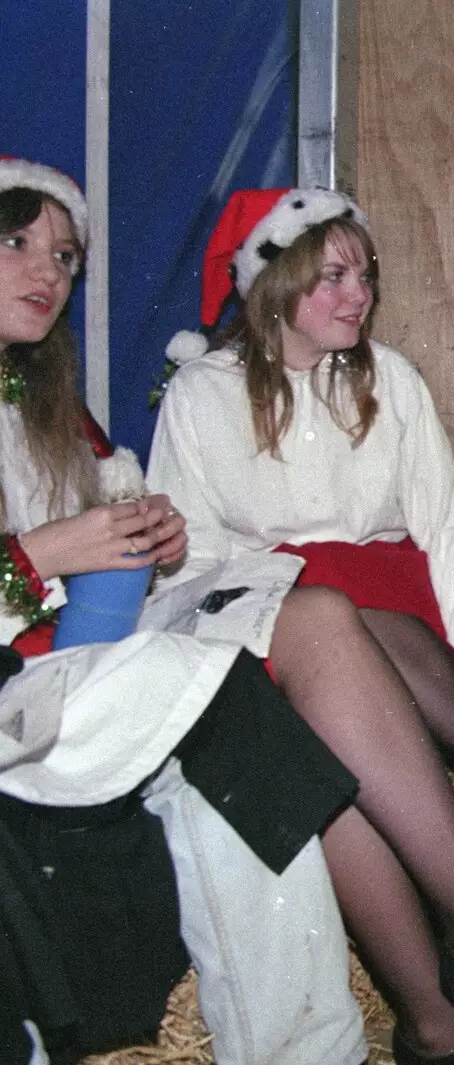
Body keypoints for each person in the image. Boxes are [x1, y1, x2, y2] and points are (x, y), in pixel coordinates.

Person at [147, 187, 454, 1063]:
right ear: (275, 287)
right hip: (268, 626)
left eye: (365, 274)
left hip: (399, 635)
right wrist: (286, 583)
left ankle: (439, 1020)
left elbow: (446, 522)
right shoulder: (203, 394)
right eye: (333, 277)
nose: (359, 295)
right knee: (323, 615)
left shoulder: (391, 379)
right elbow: (189, 566)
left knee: (339, 695)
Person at [0, 160, 366, 1064]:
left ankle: (314, 1050)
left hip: (78, 669)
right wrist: (49, 553)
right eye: (16, 244)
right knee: (209, 688)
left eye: (65, 256)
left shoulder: (50, 413)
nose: (47, 273)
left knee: (219, 784)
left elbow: (107, 551)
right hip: (20, 692)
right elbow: (51, 563)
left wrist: (148, 536)